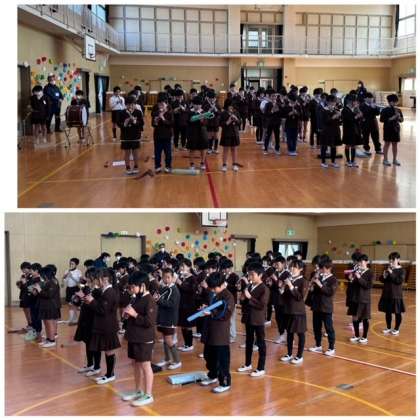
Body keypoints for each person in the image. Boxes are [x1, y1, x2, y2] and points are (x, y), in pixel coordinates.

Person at [120, 271, 157, 407]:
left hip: (144, 338)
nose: (131, 289)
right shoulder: (136, 298)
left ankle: (148, 394)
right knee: (136, 364)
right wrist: (126, 315)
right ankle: (138, 390)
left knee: (145, 365)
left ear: (142, 285)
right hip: (134, 336)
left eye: (133, 286)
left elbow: (149, 322)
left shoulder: (150, 300)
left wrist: (135, 314)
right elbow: (133, 313)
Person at [200, 272, 234, 393]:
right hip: (211, 330)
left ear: (221, 285)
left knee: (222, 359)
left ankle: (225, 382)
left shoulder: (228, 296)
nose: (213, 290)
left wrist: (211, 312)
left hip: (220, 333)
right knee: (209, 355)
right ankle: (212, 375)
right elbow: (214, 308)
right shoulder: (216, 294)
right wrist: (206, 308)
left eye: (214, 288)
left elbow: (226, 314)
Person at [85, 268, 121, 384]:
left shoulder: (109, 292)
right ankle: (108, 374)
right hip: (105, 325)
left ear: (104, 279)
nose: (96, 281)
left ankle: (110, 374)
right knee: (107, 350)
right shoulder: (105, 291)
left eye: (98, 279)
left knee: (109, 350)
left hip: (108, 326)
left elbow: (103, 310)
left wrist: (92, 301)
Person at [237, 262, 268, 377]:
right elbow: (244, 302)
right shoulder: (249, 286)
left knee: (260, 343)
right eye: (249, 274)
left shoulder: (264, 288)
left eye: (252, 275)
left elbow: (261, 305)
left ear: (260, 275)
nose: (250, 277)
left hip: (258, 319)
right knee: (249, 341)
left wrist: (249, 297)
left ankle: (261, 367)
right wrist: (242, 297)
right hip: (249, 318)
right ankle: (247, 364)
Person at [74, 267, 102, 377]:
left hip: (93, 319)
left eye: (90, 277)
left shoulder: (99, 291)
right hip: (85, 318)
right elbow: (80, 301)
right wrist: (78, 298)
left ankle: (97, 366)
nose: (88, 279)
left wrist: (88, 300)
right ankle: (90, 364)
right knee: (87, 341)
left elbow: (98, 306)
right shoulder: (87, 288)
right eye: (87, 277)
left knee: (94, 344)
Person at [307, 255, 337, 356]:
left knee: (329, 328)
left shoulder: (333, 279)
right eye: (321, 268)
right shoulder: (318, 277)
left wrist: (319, 284)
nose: (321, 270)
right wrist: (312, 285)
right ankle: (318, 345)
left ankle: (331, 347)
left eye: (323, 268)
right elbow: (312, 290)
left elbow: (330, 292)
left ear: (329, 268)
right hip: (316, 306)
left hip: (326, 307)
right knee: (316, 327)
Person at [280, 259, 307, 364]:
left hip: (298, 312)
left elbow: (299, 297)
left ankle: (299, 356)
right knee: (289, 333)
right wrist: (282, 288)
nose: (292, 268)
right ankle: (289, 353)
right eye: (291, 266)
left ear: (300, 269)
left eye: (294, 267)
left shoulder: (303, 281)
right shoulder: (289, 280)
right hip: (288, 311)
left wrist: (291, 286)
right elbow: (284, 296)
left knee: (300, 334)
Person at [154, 268, 181, 370]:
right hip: (163, 317)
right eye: (164, 277)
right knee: (165, 339)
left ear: (173, 278)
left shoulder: (174, 290)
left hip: (170, 318)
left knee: (168, 340)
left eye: (168, 277)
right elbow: (159, 298)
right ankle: (167, 358)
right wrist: (156, 297)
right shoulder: (163, 287)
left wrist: (158, 300)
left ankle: (177, 361)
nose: (166, 279)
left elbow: (171, 304)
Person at [378, 252, 405, 335]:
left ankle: (396, 328)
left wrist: (391, 273)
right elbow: (382, 279)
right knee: (387, 312)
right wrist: (383, 276)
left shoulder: (402, 270)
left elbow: (399, 281)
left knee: (397, 312)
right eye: (390, 260)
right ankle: (388, 327)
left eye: (393, 260)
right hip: (387, 294)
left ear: (398, 260)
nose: (391, 261)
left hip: (396, 295)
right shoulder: (388, 269)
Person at [348, 254, 373, 344]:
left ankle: (364, 336)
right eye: (358, 262)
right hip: (355, 298)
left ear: (366, 262)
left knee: (365, 318)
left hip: (364, 299)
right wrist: (351, 279)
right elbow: (354, 285)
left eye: (361, 261)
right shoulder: (357, 271)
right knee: (355, 318)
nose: (359, 263)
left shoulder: (370, 273)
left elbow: (368, 285)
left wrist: (359, 277)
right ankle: (356, 335)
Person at [118, 95, 144, 175]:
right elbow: (119, 124)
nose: (130, 106)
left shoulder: (138, 112)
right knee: (127, 153)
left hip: (135, 135)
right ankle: (128, 167)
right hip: (125, 135)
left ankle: (136, 166)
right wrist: (125, 123)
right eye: (128, 104)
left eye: (132, 104)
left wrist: (135, 122)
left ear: (135, 104)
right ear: (126, 105)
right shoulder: (122, 113)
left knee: (135, 152)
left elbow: (142, 123)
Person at [36, 265, 61, 348]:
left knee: (50, 323)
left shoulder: (52, 282)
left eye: (42, 275)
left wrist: (39, 290)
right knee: (46, 323)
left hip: (50, 306)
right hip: (45, 306)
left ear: (46, 275)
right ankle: (48, 339)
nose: (41, 276)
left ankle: (52, 340)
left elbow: (49, 295)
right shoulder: (47, 282)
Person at [177, 259, 198, 351]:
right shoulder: (181, 277)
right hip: (181, 304)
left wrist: (180, 283)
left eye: (183, 266)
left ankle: (190, 344)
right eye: (181, 266)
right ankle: (186, 344)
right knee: (182, 325)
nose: (181, 268)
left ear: (189, 267)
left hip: (189, 305)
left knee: (188, 325)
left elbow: (192, 290)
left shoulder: (193, 278)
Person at [151, 93, 174, 174]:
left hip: (167, 135)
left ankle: (168, 166)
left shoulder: (170, 111)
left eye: (162, 103)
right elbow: (153, 124)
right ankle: (157, 166)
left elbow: (171, 124)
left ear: (166, 103)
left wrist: (163, 118)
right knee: (157, 152)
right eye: (159, 103)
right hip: (157, 135)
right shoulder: (155, 110)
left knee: (168, 153)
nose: (160, 105)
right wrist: (156, 120)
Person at [380, 94, 404, 167]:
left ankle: (394, 159)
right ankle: (385, 159)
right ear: (389, 102)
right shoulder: (384, 110)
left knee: (395, 144)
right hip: (388, 128)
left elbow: (402, 120)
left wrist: (399, 117)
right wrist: (393, 117)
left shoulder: (398, 110)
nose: (395, 103)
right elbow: (381, 120)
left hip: (396, 129)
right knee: (387, 144)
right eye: (393, 102)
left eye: (395, 102)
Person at [186, 96, 209, 171]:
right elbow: (188, 121)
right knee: (192, 149)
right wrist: (197, 117)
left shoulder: (203, 112)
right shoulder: (189, 111)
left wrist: (202, 121)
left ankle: (202, 163)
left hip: (202, 132)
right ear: (193, 104)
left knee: (203, 148)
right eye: (196, 104)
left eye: (199, 104)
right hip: (192, 132)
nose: (198, 106)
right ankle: (192, 164)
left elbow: (206, 123)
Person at [319, 95, 342, 168]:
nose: (334, 103)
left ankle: (333, 161)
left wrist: (339, 117)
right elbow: (326, 121)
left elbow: (339, 122)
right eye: (333, 102)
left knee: (333, 146)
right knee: (324, 146)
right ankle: (323, 162)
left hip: (335, 130)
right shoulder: (323, 110)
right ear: (328, 102)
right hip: (326, 131)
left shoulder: (336, 109)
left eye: (335, 102)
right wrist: (335, 116)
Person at [342, 94, 363, 168]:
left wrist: (358, 112)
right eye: (355, 101)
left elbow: (360, 118)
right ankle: (348, 161)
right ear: (350, 101)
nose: (356, 103)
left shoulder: (354, 109)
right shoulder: (345, 110)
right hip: (348, 130)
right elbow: (349, 120)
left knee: (354, 145)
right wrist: (357, 116)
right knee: (348, 144)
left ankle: (353, 161)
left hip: (355, 130)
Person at [221, 259, 239, 343]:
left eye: (226, 268)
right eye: (224, 269)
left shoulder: (235, 276)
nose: (225, 270)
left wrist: (227, 285)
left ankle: (232, 336)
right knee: (224, 318)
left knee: (231, 319)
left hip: (231, 300)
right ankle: (225, 334)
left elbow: (236, 288)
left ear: (230, 268)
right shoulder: (223, 276)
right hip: (223, 300)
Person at [219, 99, 241, 172]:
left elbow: (239, 123)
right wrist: (227, 122)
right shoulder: (223, 113)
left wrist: (236, 119)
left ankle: (234, 164)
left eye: (232, 105)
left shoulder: (236, 112)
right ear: (227, 106)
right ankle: (224, 165)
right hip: (226, 134)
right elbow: (220, 124)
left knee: (234, 149)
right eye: (229, 105)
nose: (231, 107)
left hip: (234, 133)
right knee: (226, 150)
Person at [63, 257, 82, 325]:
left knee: (74, 304)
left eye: (72, 264)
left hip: (75, 288)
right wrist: (65, 276)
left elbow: (79, 282)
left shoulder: (78, 272)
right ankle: (72, 319)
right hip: (68, 289)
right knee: (70, 304)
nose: (71, 265)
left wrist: (72, 277)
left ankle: (74, 319)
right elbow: (64, 280)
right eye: (70, 263)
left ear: (76, 264)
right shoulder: (67, 271)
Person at [203, 90, 221, 155]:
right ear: (208, 98)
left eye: (213, 98)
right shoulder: (206, 105)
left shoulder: (217, 105)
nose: (212, 99)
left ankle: (215, 149)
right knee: (209, 136)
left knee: (216, 136)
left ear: (215, 98)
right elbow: (204, 114)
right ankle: (209, 148)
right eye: (210, 98)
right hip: (209, 123)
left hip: (216, 122)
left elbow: (220, 113)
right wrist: (209, 110)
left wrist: (215, 109)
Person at [17, 261, 32, 330]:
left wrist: (25, 283)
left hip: (29, 296)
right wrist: (19, 285)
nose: (23, 271)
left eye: (24, 269)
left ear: (28, 268)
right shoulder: (23, 276)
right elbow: (22, 287)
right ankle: (29, 324)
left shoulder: (32, 276)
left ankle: (32, 324)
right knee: (25, 310)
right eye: (22, 269)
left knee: (29, 311)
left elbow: (31, 287)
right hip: (23, 295)